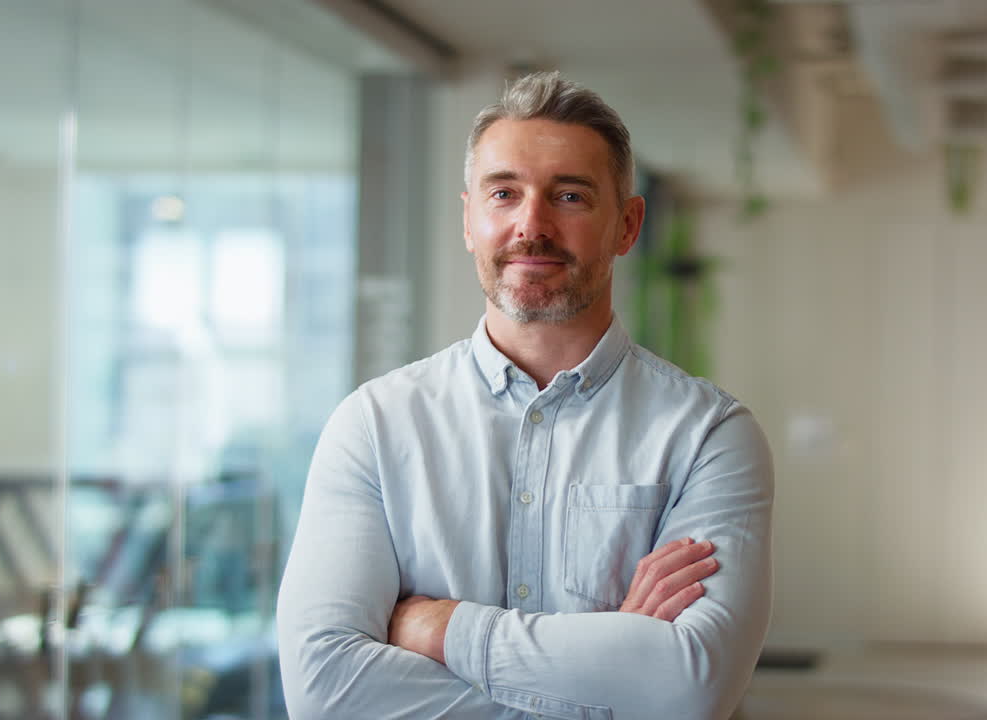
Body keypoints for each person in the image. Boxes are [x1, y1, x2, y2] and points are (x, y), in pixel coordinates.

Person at [276, 71, 774, 719]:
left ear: (627, 225)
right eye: (503, 193)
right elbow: (324, 693)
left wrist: (441, 628)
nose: (530, 224)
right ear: (469, 219)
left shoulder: (708, 434)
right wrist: (612, 675)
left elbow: (692, 687)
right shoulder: (374, 426)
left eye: (569, 196)